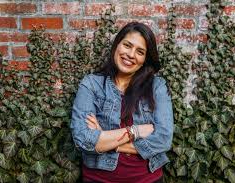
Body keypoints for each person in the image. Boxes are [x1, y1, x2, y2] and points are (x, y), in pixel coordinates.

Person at [70, 22, 174, 183]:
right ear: (117, 45)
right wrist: (135, 131)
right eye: (127, 45)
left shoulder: (157, 87)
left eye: (140, 51)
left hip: (147, 179)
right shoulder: (91, 84)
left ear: (145, 59)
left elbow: (163, 140)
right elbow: (83, 140)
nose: (131, 54)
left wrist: (106, 140)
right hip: (98, 179)